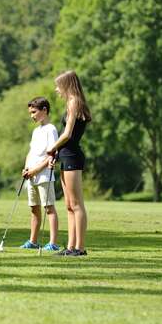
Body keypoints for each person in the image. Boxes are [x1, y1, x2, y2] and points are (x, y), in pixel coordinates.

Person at [47, 70, 91, 256]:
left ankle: (79, 248)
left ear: (67, 85)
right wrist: (57, 152)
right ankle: (71, 247)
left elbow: (67, 134)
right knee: (68, 205)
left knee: (76, 204)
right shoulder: (70, 103)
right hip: (66, 155)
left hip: (72, 156)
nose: (57, 90)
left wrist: (51, 148)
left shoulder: (74, 102)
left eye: (59, 86)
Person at [20, 97, 60, 251]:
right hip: (31, 175)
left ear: (44, 110)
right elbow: (31, 152)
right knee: (34, 208)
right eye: (30, 112)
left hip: (44, 175)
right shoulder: (36, 131)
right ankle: (33, 241)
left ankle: (53, 243)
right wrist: (26, 168)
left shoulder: (51, 129)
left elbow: (52, 154)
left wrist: (36, 170)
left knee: (49, 207)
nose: (32, 115)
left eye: (34, 112)